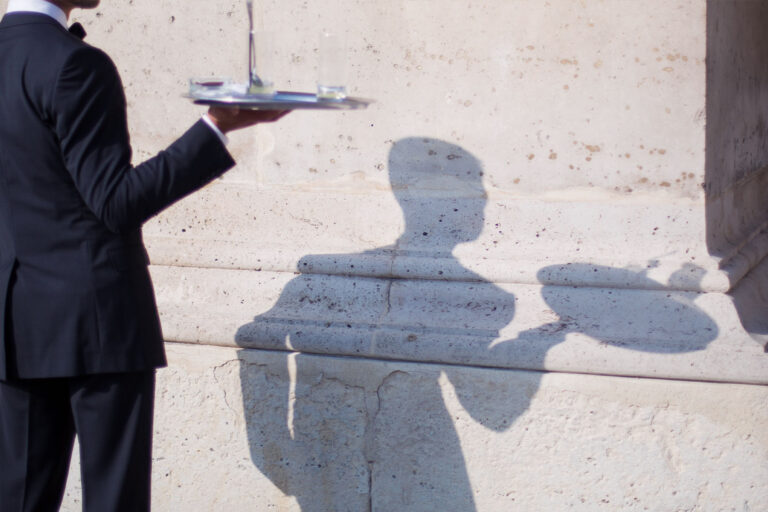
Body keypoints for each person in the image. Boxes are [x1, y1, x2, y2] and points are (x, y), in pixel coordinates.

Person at [0, 1, 288, 510]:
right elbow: (115, 202)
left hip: (14, 319)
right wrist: (214, 127)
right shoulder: (75, 63)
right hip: (98, 320)